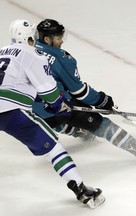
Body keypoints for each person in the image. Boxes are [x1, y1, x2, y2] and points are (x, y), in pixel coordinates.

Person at [0, 19, 105, 208]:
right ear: (30, 38)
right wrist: (59, 105)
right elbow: (49, 92)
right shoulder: (32, 54)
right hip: (13, 113)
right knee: (54, 149)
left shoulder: (1, 51)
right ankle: (81, 190)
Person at [32, 19, 136, 161]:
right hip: (57, 107)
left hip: (34, 113)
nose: (62, 41)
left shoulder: (28, 51)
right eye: (58, 38)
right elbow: (79, 92)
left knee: (53, 117)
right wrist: (102, 100)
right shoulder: (61, 59)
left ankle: (81, 131)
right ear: (47, 39)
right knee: (101, 124)